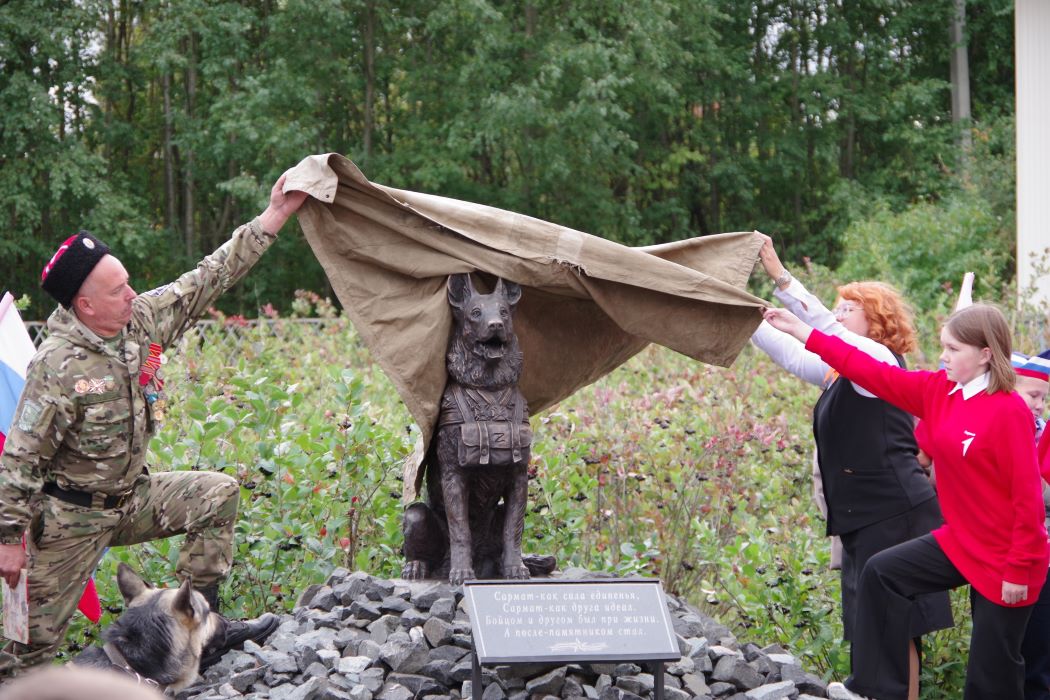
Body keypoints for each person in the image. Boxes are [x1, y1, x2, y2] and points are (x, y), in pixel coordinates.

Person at [0, 172, 309, 678]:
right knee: (25, 652)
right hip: (67, 522)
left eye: (128, 283)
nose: (132, 294)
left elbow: (209, 276)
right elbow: (21, 458)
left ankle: (200, 631)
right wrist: (9, 538)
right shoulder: (56, 365)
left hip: (130, 499)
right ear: (85, 304)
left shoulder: (138, 321)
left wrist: (274, 215)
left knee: (218, 495)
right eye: (118, 290)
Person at [764, 302, 1049, 700]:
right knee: (882, 574)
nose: (942, 356)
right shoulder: (939, 391)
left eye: (953, 349)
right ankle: (875, 690)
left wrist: (1019, 569)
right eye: (943, 346)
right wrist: (801, 330)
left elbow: (1028, 499)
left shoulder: (1008, 411)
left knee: (992, 678)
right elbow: (868, 370)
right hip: (962, 540)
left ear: (985, 354)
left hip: (1010, 557)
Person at [750, 235, 949, 700]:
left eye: (847, 309)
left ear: (875, 323)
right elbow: (787, 351)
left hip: (895, 511)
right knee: (875, 625)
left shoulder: (879, 360)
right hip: (867, 515)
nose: (837, 316)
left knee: (895, 626)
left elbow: (824, 332)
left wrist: (781, 277)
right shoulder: (840, 371)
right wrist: (744, 313)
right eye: (837, 308)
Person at [1017, 350, 1050, 700]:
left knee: (1037, 650)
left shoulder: (1044, 434)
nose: (1039, 405)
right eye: (1034, 396)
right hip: (1005, 552)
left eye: (1044, 397)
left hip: (1041, 552)